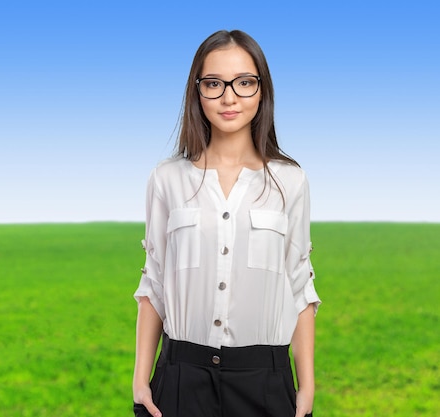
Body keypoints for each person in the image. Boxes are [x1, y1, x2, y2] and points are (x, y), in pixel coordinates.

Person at [132, 29, 321, 417]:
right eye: (214, 83)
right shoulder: (166, 179)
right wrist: (140, 379)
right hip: (181, 379)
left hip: (265, 382)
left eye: (244, 83)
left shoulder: (290, 182)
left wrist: (307, 388)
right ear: (196, 91)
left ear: (262, 90)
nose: (229, 97)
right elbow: (154, 282)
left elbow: (299, 286)